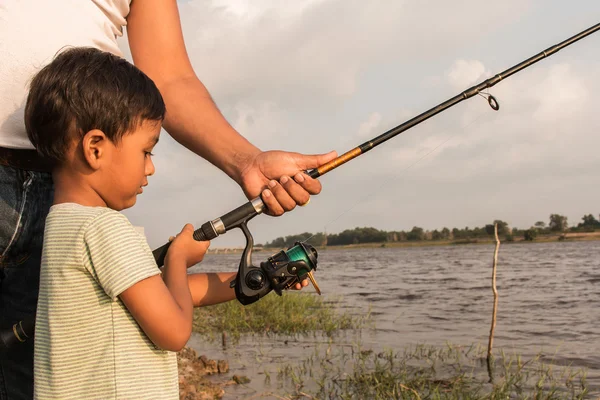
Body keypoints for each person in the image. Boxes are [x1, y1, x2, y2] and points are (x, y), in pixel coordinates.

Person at [0, 2, 336, 399]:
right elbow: (174, 330)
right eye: (147, 152)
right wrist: (176, 260)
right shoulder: (107, 231)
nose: (151, 169)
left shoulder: (60, 226)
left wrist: (259, 278)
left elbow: (150, 294)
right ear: (95, 148)